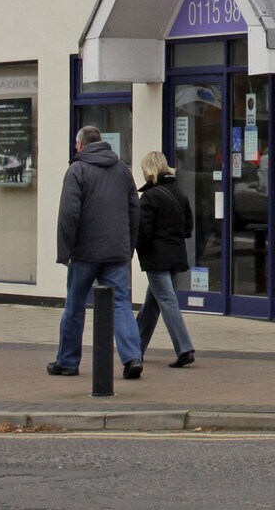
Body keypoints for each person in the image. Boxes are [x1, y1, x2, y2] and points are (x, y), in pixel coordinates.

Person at [48, 125, 144, 380]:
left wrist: (65, 251)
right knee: (121, 303)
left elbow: (69, 214)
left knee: (75, 304)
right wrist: (128, 246)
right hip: (116, 252)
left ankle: (67, 361)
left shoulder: (77, 169)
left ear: (80, 145)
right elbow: (135, 211)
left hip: (84, 252)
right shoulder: (123, 169)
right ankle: (132, 357)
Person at [134, 151, 196, 368]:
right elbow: (188, 228)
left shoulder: (150, 197)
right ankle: (135, 349)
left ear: (149, 170)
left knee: (167, 301)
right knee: (152, 304)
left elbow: (143, 232)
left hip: (156, 258)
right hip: (176, 257)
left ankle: (184, 348)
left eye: (143, 168)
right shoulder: (179, 194)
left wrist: (138, 248)